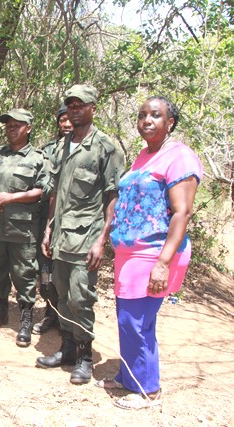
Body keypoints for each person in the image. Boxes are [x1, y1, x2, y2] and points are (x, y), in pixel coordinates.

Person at [97, 96, 201, 409]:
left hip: (155, 253)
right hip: (132, 254)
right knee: (132, 319)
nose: (147, 120)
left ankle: (147, 390)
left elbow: (181, 213)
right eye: (142, 115)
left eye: (156, 115)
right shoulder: (144, 155)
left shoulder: (179, 156)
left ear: (170, 122)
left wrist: (162, 264)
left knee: (135, 321)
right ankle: (131, 377)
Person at [37, 84, 125, 384]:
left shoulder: (105, 147)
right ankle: (68, 349)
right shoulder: (64, 145)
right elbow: (56, 194)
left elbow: (113, 196)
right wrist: (49, 229)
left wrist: (102, 240)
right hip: (61, 235)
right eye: (70, 105)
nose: (75, 109)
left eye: (81, 105)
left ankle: (86, 357)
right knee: (61, 296)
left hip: (86, 236)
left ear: (93, 109)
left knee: (80, 297)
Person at [0, 109, 49, 347]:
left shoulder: (38, 158)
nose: (12, 129)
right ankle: (0, 311)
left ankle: (26, 319)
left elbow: (41, 191)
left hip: (22, 229)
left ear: (28, 128)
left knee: (24, 274)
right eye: (8, 125)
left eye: (17, 125)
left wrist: (11, 198)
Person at [33, 104, 72, 335]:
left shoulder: (90, 148)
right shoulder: (47, 151)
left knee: (67, 272)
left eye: (69, 119)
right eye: (62, 120)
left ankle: (68, 319)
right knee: (45, 270)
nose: (66, 124)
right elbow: (44, 185)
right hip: (47, 219)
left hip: (75, 222)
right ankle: (51, 313)